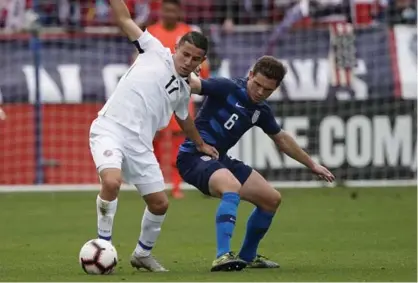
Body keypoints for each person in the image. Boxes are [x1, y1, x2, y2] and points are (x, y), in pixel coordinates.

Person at [89, 0, 218, 272]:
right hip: (110, 127)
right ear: (176, 49)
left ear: (201, 62)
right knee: (111, 182)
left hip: (140, 145)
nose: (188, 61)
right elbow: (125, 20)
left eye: (195, 58)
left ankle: (142, 254)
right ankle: (104, 246)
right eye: (185, 54)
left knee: (160, 204)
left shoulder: (184, 90)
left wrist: (201, 144)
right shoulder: (153, 49)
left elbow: (184, 118)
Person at [177, 56, 335, 272]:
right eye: (257, 84)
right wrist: (186, 69)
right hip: (193, 156)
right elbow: (194, 84)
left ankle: (248, 256)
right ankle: (222, 256)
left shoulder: (260, 110)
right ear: (250, 74)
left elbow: (281, 139)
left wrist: (312, 165)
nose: (260, 92)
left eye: (267, 90)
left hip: (219, 158)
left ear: (275, 89)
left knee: (271, 199)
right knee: (231, 187)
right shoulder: (227, 87)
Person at [147, 0, 210, 199]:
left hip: (179, 96)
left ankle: (176, 186)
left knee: (178, 141)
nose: (169, 13)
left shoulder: (188, 34)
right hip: (155, 97)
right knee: (152, 140)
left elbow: (203, 68)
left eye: (173, 10)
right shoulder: (151, 33)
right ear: (160, 11)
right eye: (166, 9)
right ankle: (153, 184)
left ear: (179, 12)